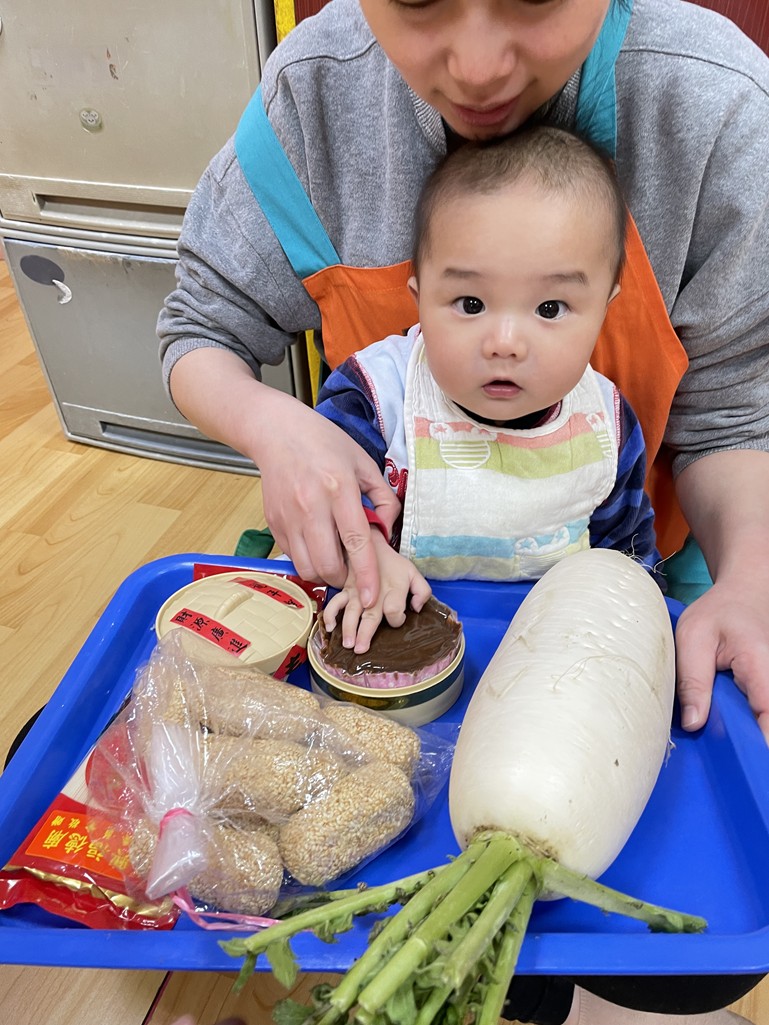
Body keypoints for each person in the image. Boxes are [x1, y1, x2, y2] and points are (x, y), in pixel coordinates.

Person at [156, 1, 769, 1021]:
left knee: (683, 965)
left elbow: (712, 440)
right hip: (384, 644)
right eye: (418, 0)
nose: (478, 67)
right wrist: (277, 429)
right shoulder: (315, 105)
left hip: (572, 663)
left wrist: (745, 577)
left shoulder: (717, 114)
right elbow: (198, 326)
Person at [316, 125, 660, 652]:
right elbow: (326, 489)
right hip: (387, 645)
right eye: (471, 304)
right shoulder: (378, 395)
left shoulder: (607, 426)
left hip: (553, 658)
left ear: (603, 310)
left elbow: (629, 565)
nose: (505, 344)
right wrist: (363, 555)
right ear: (419, 298)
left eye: (550, 308)